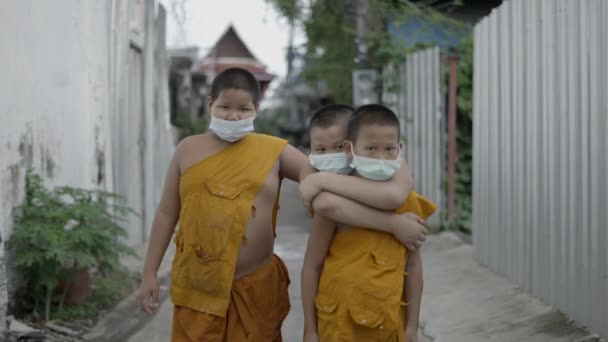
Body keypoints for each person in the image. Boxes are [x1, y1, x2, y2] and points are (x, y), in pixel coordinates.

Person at [138, 67, 428, 341]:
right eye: (225, 107)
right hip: (198, 285)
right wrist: (150, 271)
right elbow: (166, 214)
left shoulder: (274, 151)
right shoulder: (187, 149)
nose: (233, 116)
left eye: (243, 109)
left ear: (256, 110)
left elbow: (329, 184)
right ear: (211, 103)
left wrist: (393, 176)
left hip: (255, 286)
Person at [301, 104, 437, 342]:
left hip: (388, 323)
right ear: (351, 150)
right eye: (371, 148)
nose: (380, 157)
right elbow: (312, 264)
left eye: (388, 148)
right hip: (337, 325)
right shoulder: (331, 196)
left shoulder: (405, 197)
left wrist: (412, 328)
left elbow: (413, 267)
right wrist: (310, 330)